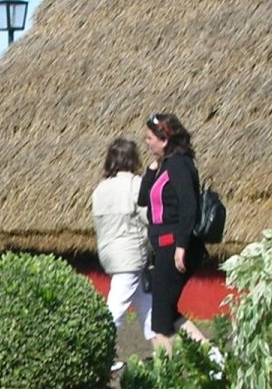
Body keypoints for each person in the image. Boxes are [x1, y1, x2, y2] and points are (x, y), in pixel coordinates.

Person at [138, 112, 222, 364]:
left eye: (150, 138)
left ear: (164, 140)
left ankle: (165, 375)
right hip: (163, 247)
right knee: (166, 311)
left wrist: (181, 246)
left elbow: (189, 207)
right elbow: (143, 198)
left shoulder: (179, 165)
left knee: (161, 319)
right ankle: (211, 355)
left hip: (173, 246)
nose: (146, 142)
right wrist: (152, 168)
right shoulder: (165, 165)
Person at [91, 137, 154, 371]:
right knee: (115, 308)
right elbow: (149, 218)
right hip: (131, 253)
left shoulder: (100, 190)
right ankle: (98, 355)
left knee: (146, 303)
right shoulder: (136, 185)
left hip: (109, 253)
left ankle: (160, 346)